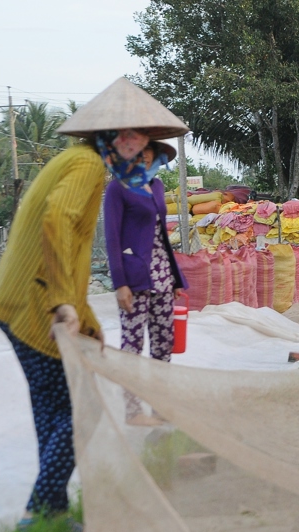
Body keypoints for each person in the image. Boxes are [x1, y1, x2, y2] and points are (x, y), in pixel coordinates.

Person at [0, 77, 188, 532]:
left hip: (17, 300)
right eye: (135, 144)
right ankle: (39, 514)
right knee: (83, 410)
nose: (140, 156)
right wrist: (62, 304)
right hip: (34, 304)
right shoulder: (86, 167)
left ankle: (51, 514)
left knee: (53, 408)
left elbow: (70, 245)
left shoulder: (75, 162)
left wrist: (85, 320)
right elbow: (57, 222)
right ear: (117, 140)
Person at [103, 139, 188, 426]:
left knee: (163, 345)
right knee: (132, 346)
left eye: (149, 157)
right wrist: (120, 284)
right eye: (139, 156)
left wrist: (176, 277)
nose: (145, 161)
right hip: (134, 278)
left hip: (163, 276)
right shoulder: (117, 187)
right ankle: (132, 411)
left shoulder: (158, 185)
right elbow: (112, 237)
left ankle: (160, 407)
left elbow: (161, 234)